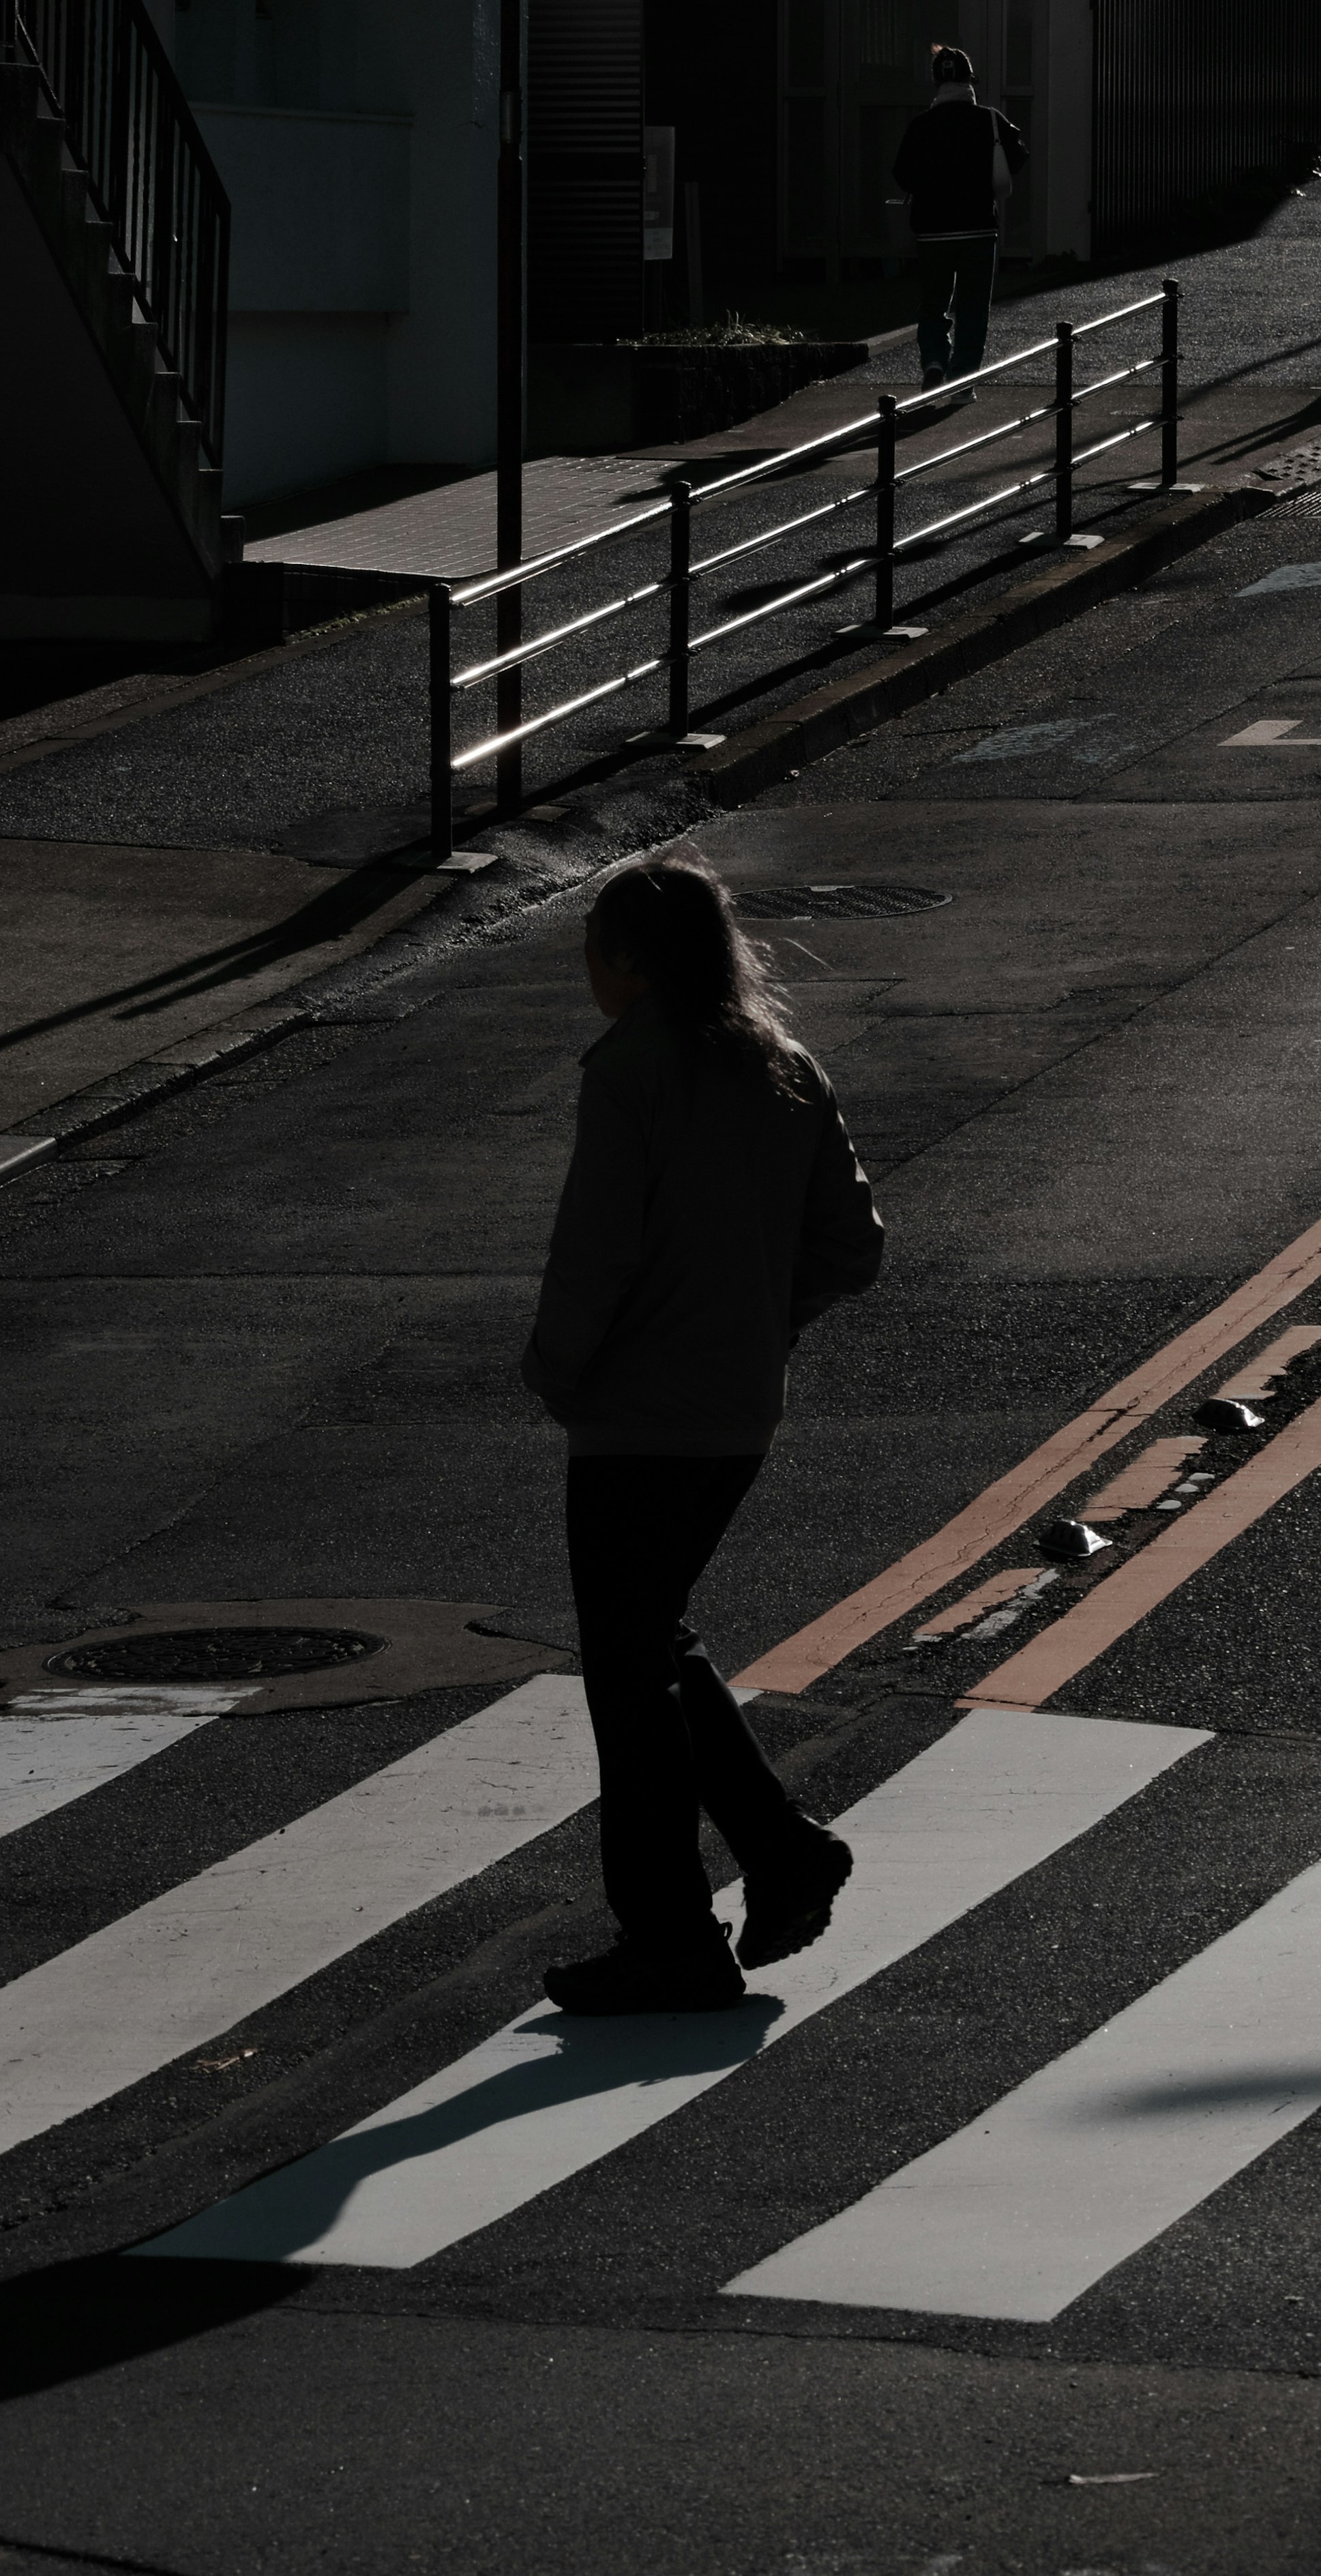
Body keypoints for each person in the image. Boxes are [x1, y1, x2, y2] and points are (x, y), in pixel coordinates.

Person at [522, 855, 885, 2013]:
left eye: (595, 950)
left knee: (626, 1684)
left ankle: (674, 1931)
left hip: (635, 1414)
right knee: (652, 1645)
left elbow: (598, 1250)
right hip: (736, 1409)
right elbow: (853, 1247)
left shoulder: (631, 1072)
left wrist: (557, 1366)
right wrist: (761, 1323)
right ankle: (778, 1853)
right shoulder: (783, 1067)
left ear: (628, 965)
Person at [891, 41, 1026, 390]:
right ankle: (963, 379)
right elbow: (1019, 158)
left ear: (937, 83)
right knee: (973, 307)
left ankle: (935, 360)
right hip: (979, 228)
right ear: (970, 81)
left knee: (934, 303)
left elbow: (902, 174)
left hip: (933, 230)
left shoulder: (922, 125)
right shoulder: (990, 120)